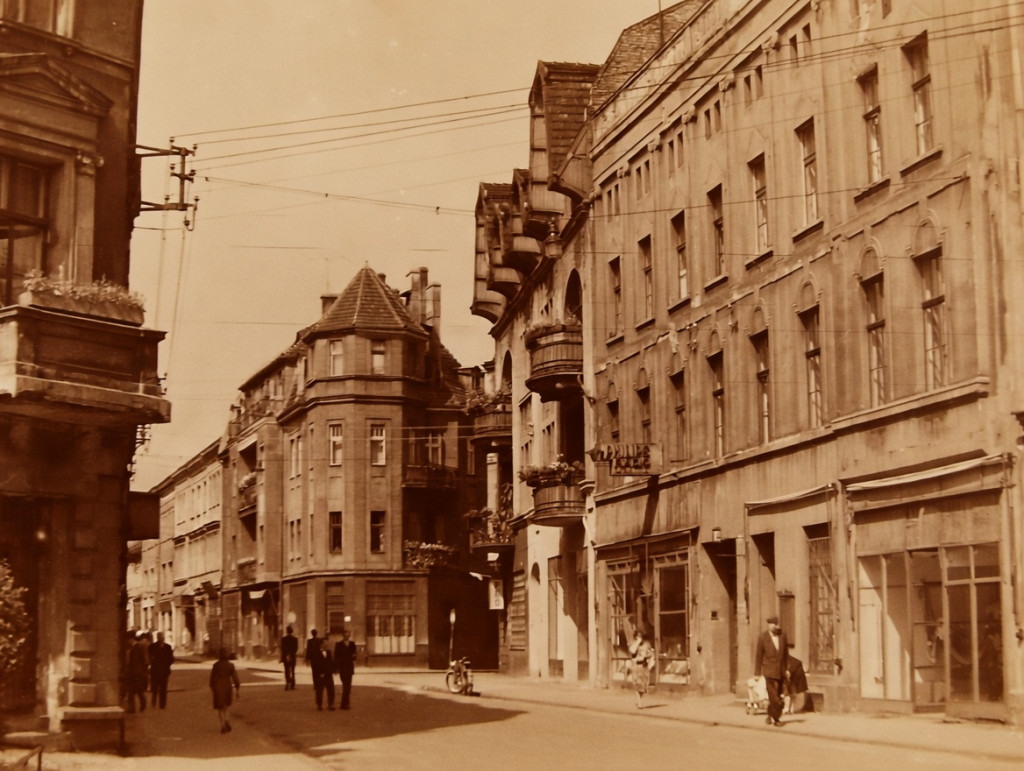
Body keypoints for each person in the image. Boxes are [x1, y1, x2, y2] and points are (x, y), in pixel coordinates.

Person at [754, 615, 789, 726]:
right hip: (768, 670)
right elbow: (758, 656)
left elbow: (786, 655)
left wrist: (787, 669)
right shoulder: (762, 637)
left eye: (776, 624)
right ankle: (776, 719)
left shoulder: (782, 636)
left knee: (777, 694)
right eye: (772, 624)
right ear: (768, 625)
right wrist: (757, 673)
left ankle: (770, 715)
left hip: (780, 671)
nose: (774, 626)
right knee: (775, 697)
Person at [209, 648, 240, 733]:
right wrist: (237, 688)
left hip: (218, 686)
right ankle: (227, 720)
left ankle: (222, 725)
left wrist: (213, 688)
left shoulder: (216, 665)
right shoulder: (230, 665)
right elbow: (235, 678)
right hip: (227, 686)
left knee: (220, 708)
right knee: (226, 706)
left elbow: (211, 679)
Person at [628, 629, 655, 709]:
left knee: (644, 688)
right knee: (637, 686)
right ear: (636, 637)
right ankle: (639, 704)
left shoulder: (647, 644)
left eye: (641, 636)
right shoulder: (633, 643)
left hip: (644, 667)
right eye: (638, 636)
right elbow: (632, 651)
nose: (640, 638)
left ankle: (638, 700)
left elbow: (652, 653)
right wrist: (637, 642)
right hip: (636, 667)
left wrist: (647, 656)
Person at [148, 631, 175, 709]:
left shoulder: (168, 647)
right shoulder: (152, 646)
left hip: (164, 671)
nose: (161, 639)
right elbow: (149, 657)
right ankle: (154, 702)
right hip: (155, 670)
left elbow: (171, 658)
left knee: (163, 688)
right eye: (159, 637)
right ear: (157, 638)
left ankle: (162, 704)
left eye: (162, 637)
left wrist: (167, 664)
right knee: (155, 688)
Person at [126, 631, 151, 713]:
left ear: (131, 639)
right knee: (131, 691)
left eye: (128, 640)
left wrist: (144, 672)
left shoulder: (140, 647)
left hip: (138, 673)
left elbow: (146, 661)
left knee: (138, 690)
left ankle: (143, 702)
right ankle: (132, 709)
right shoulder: (130, 648)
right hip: (131, 673)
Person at [333, 629, 357, 710]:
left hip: (349, 668)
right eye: (345, 633)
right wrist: (336, 668)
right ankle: (344, 705)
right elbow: (336, 657)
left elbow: (354, 655)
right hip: (342, 668)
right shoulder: (338, 644)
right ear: (343, 635)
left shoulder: (352, 644)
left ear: (349, 635)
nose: (347, 635)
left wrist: (354, 657)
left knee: (348, 687)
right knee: (346, 686)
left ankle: (345, 704)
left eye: (348, 633)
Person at [310, 634, 335, 711]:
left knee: (331, 690)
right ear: (321, 644)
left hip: (328, 674)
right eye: (325, 643)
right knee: (319, 691)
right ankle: (319, 705)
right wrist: (320, 672)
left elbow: (331, 662)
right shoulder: (316, 653)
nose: (327, 644)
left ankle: (330, 704)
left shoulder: (329, 652)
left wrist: (332, 670)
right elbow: (315, 664)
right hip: (320, 675)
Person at [280, 625, 298, 691]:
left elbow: (282, 648)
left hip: (286, 657)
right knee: (292, 671)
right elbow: (296, 648)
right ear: (292, 631)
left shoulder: (283, 639)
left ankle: (287, 683)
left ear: (287, 631)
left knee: (286, 670)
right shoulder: (295, 639)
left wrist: (286, 655)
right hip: (293, 656)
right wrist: (291, 654)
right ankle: (292, 684)